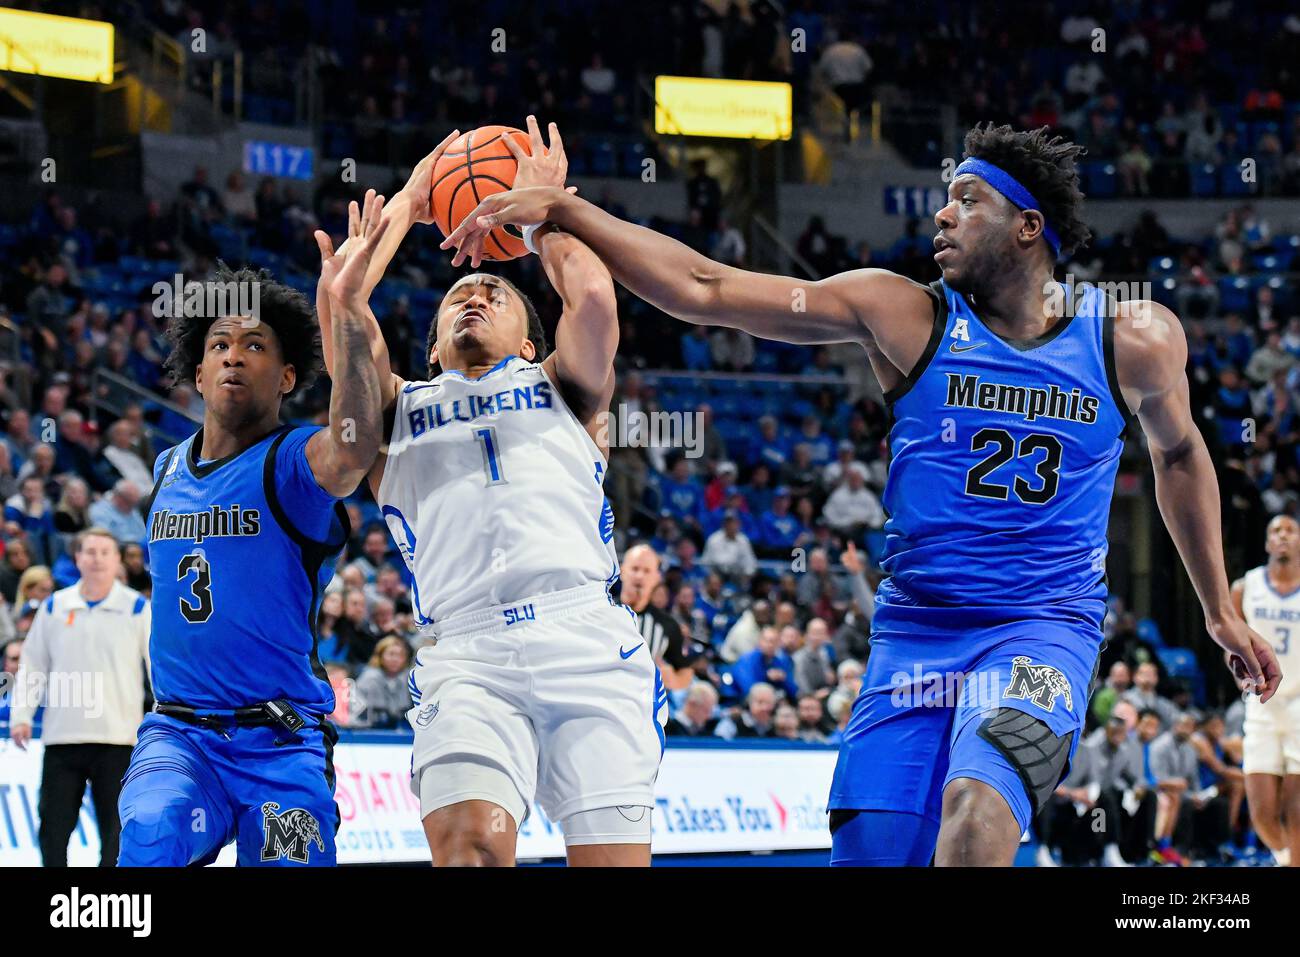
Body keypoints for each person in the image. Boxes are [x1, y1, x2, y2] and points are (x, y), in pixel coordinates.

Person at [445, 121, 1281, 867]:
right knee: (873, 850)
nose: (941, 216)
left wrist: (1216, 607)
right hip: (915, 632)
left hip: (1040, 627)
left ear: (1030, 227)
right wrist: (566, 211)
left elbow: (1179, 456)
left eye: (968, 199)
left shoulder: (1131, 337)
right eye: (943, 199)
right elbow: (704, 289)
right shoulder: (905, 313)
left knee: (977, 808)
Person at [320, 121, 664, 867]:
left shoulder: (564, 387)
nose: (473, 295)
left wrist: (544, 215)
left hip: (586, 639)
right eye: (458, 296)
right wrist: (412, 200)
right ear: (434, 345)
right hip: (468, 653)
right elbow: (345, 321)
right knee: (471, 848)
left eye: (492, 293)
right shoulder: (393, 409)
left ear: (531, 342)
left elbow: (597, 298)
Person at [114, 189, 390, 867]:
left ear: (288, 374)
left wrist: (349, 313)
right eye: (221, 344)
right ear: (199, 372)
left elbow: (354, 447)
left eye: (256, 344)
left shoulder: (294, 462)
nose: (235, 354)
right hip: (178, 737)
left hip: (281, 743)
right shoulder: (166, 467)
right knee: (151, 832)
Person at [8, 528, 151, 866]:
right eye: (89, 551)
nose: (97, 558)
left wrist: (163, 718)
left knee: (115, 831)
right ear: (77, 558)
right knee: (53, 828)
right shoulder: (55, 606)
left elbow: (158, 667)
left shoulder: (136, 608)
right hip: (62, 737)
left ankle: (107, 906)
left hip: (118, 737)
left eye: (105, 552)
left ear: (117, 559)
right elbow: (32, 666)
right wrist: (21, 716)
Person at [1232, 514, 1300, 865]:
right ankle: (1286, 858)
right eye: (1275, 530)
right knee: (1262, 815)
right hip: (1261, 702)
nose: (1283, 535)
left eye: (1290, 530)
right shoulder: (1246, 587)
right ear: (1266, 543)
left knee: (1296, 810)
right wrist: (1239, 672)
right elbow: (1231, 645)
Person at [620, 543, 697, 691]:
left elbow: (685, 671)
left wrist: (673, 680)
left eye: (647, 571)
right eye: (635, 569)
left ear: (656, 578)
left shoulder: (668, 626)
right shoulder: (601, 612)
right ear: (622, 571)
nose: (640, 576)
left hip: (641, 707)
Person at [353, 635, 413, 729]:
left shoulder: (408, 678)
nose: (395, 659)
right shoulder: (370, 677)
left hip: (397, 729)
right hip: (369, 729)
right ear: (380, 656)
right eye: (391, 654)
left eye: (400, 655)